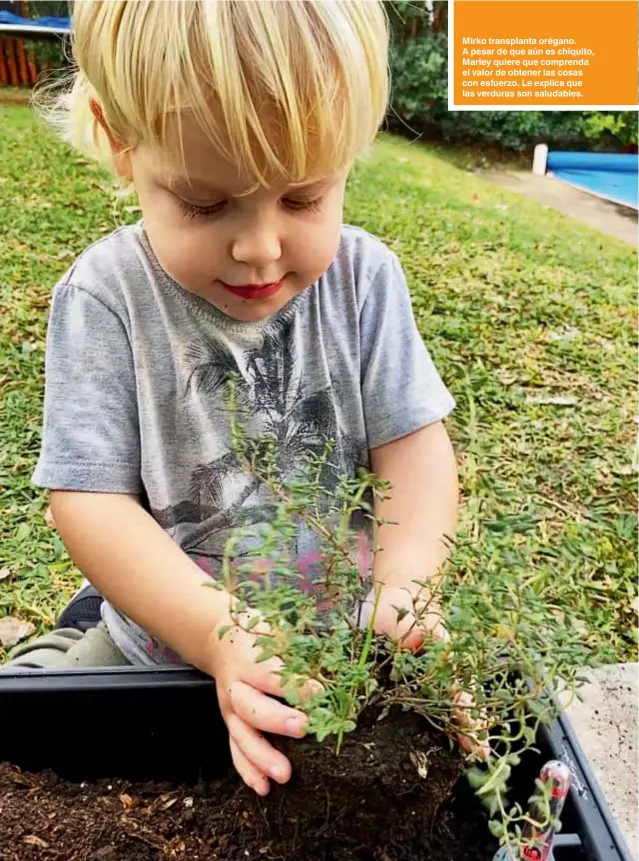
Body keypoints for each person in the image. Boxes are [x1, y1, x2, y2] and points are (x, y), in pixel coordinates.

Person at [5, 0, 464, 793]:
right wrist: (219, 634)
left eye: (303, 198)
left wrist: (405, 591)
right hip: (164, 642)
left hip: (342, 648)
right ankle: (58, 636)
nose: (258, 247)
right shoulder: (106, 296)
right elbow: (89, 500)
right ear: (120, 141)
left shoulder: (365, 281)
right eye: (204, 203)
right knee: (40, 752)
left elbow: (415, 450)